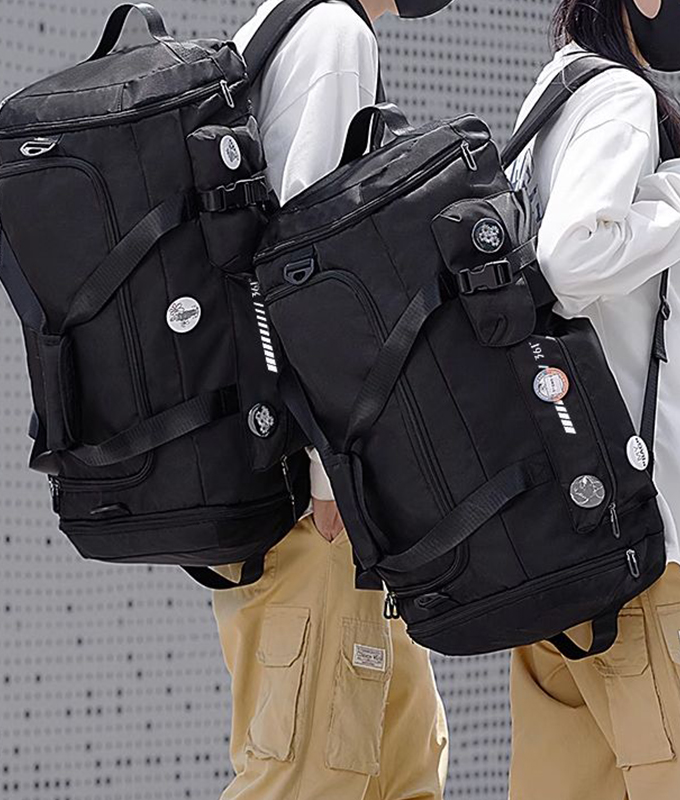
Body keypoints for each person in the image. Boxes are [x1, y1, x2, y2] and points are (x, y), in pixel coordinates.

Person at [507, 1, 680, 798]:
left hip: (567, 535)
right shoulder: (617, 93)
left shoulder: (553, 96)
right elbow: (572, 258)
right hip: (650, 541)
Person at [210, 2, 452, 798]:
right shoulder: (333, 35)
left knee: (398, 766)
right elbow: (305, 266)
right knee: (311, 773)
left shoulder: (270, 31)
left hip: (298, 477)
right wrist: (328, 471)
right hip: (317, 495)